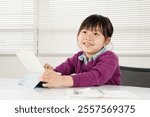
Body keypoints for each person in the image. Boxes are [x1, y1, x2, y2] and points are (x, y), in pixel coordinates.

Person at [40, 14, 121, 88]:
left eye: (96, 34)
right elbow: (59, 72)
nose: (88, 37)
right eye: (85, 32)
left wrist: (62, 80)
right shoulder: (78, 57)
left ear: (106, 40)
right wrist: (51, 72)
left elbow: (96, 77)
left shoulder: (110, 58)